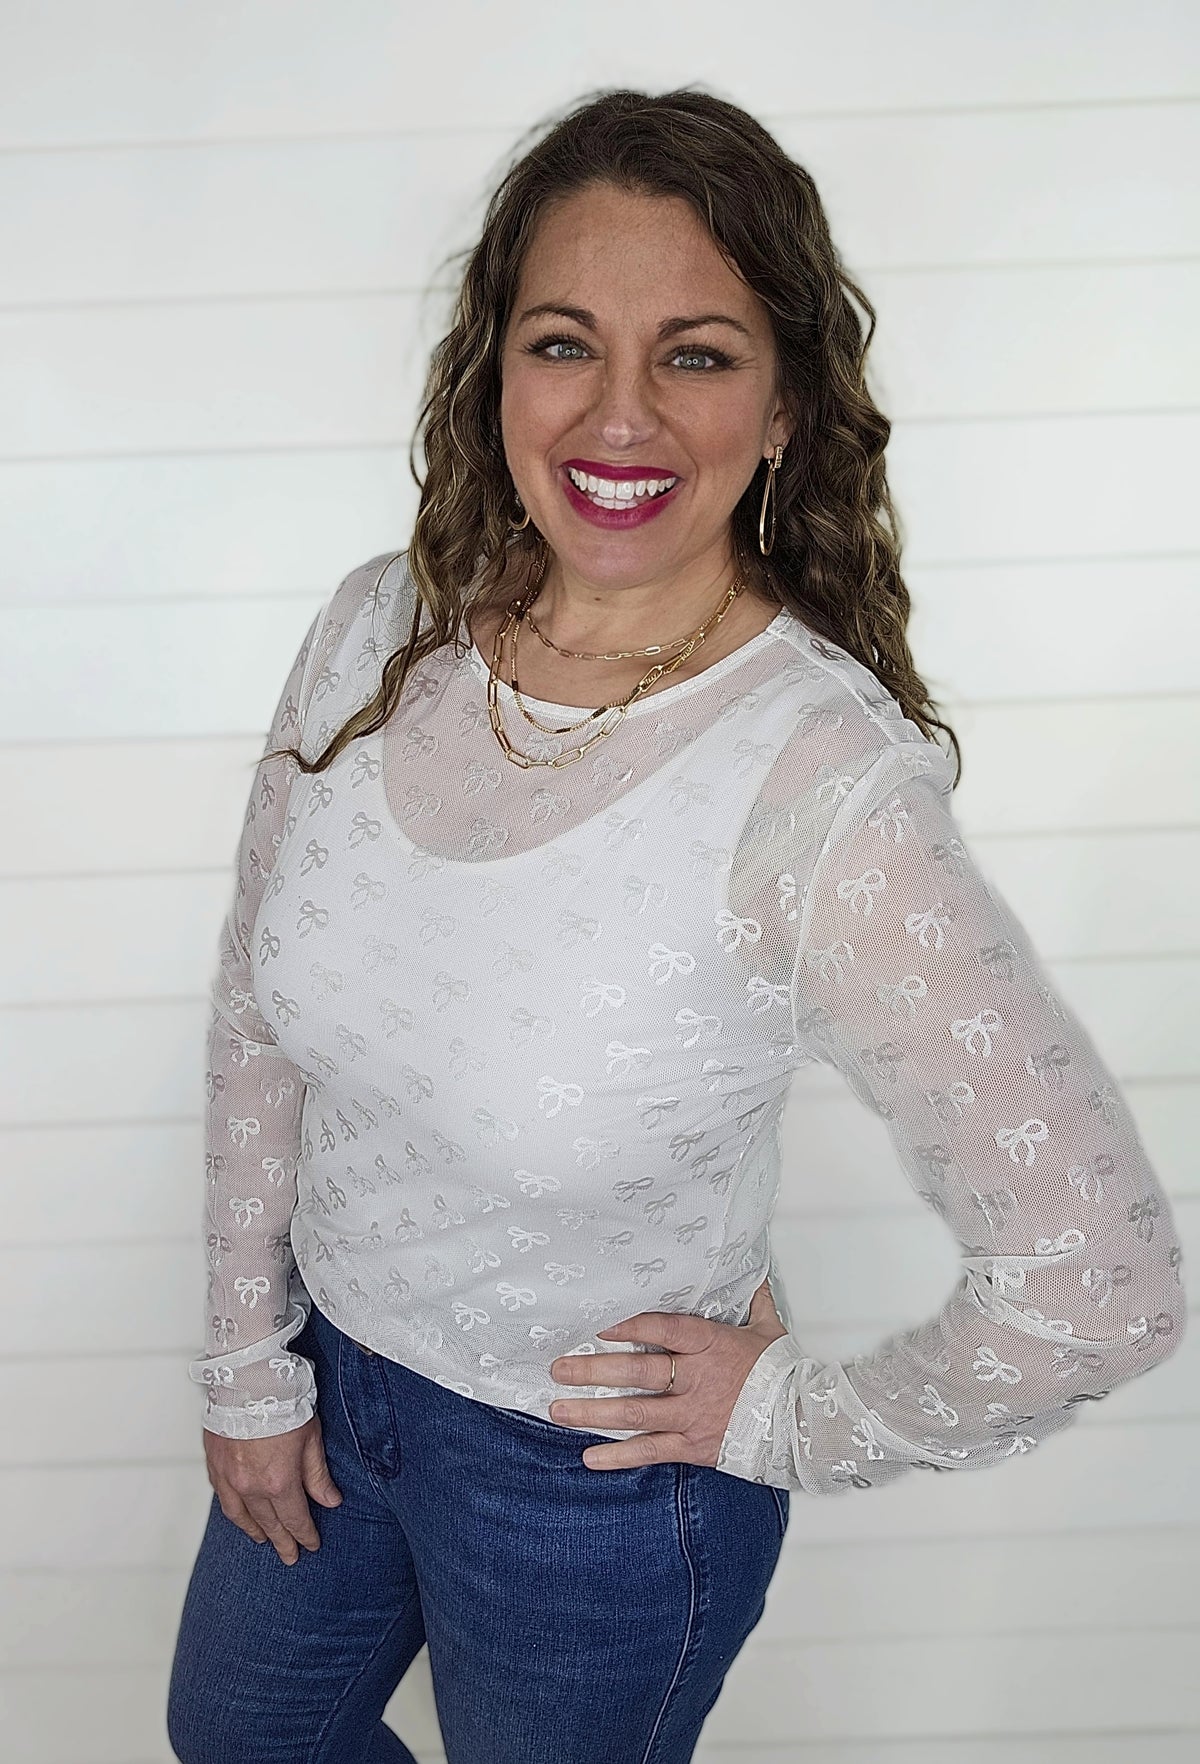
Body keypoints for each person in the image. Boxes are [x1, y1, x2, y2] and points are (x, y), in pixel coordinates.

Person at [166, 86, 1187, 1764]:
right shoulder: (376, 632)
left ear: (786, 405)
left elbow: (1104, 1281)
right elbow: (256, 1015)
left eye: (697, 355)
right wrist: (247, 1366)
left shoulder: (821, 785)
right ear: (495, 367)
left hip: (597, 1492)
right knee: (238, 1736)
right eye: (565, 342)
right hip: (331, 1386)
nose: (618, 415)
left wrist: (799, 1419)